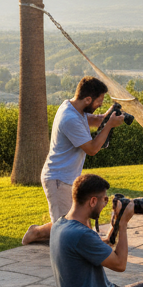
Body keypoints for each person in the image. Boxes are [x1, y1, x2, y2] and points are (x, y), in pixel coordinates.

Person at [21, 76, 127, 245]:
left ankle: (37, 232)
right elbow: (92, 149)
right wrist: (109, 126)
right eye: (99, 101)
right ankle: (36, 233)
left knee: (76, 223)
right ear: (87, 99)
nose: (100, 104)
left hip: (70, 178)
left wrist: (108, 116)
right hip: (58, 180)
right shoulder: (69, 118)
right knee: (67, 230)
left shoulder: (75, 108)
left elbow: (94, 120)